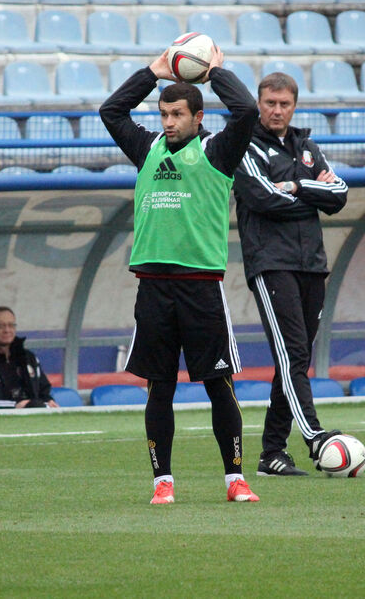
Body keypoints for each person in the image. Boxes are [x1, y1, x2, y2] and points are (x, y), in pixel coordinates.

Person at [100, 46, 260, 504]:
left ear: (198, 116)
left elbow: (246, 109)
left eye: (177, 114)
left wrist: (216, 72)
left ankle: (235, 479)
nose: (168, 122)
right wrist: (153, 72)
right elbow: (111, 110)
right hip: (152, 288)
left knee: (218, 385)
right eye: (164, 114)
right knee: (159, 388)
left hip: (201, 288)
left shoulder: (217, 150)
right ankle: (162, 482)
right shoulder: (147, 147)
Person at [232, 72, 348, 477]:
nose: (276, 110)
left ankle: (271, 453)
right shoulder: (244, 145)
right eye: (269, 103)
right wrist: (312, 192)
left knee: (295, 358)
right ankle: (314, 435)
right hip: (271, 263)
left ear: (294, 106)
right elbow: (261, 197)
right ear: (259, 104)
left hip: (311, 264)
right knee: (293, 353)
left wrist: (297, 188)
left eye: (284, 104)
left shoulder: (307, 147)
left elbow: (340, 197)